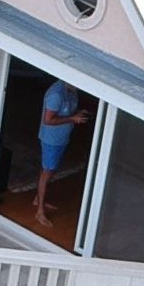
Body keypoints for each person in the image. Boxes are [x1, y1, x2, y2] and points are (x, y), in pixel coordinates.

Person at [35, 79, 90, 227]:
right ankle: (40, 211)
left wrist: (77, 114)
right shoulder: (56, 95)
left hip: (61, 138)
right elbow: (48, 120)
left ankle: (38, 198)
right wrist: (72, 118)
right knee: (48, 171)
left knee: (48, 169)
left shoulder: (71, 92)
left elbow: (66, 112)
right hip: (51, 140)